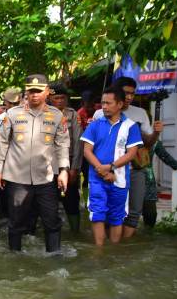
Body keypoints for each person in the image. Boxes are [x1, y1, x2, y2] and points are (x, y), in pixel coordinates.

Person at [0, 74, 70, 253]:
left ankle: (54, 257)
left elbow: (63, 145)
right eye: (31, 91)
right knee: (16, 222)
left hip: (47, 178)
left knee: (51, 220)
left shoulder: (57, 115)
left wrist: (64, 171)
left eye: (38, 91)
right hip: (17, 177)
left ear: (47, 92)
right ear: (26, 92)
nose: (34, 94)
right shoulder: (12, 114)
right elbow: (2, 143)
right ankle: (15, 258)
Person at [93, 77, 163, 238]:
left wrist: (156, 132)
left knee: (134, 212)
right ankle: (110, 249)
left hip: (135, 169)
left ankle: (123, 248)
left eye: (132, 93)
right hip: (108, 170)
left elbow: (148, 144)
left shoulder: (140, 113)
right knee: (109, 212)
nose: (130, 97)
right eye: (126, 93)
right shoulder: (100, 114)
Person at [81, 86, 143, 246]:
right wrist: (101, 170)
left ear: (120, 104)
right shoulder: (94, 125)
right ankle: (99, 251)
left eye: (108, 103)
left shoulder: (131, 126)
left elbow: (131, 153)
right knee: (97, 213)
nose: (104, 106)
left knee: (117, 216)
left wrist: (110, 167)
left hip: (120, 179)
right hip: (97, 178)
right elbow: (87, 151)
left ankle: (114, 251)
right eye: (102, 103)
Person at [49, 83, 83, 231]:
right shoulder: (44, 113)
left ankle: (75, 232)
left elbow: (78, 143)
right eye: (57, 98)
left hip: (67, 163)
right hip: (48, 164)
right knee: (48, 200)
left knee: (71, 200)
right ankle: (51, 231)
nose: (60, 101)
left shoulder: (73, 115)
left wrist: (75, 168)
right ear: (50, 98)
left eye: (63, 98)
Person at [143, 140, 177, 229]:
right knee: (128, 214)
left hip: (148, 181)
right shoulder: (128, 135)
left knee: (150, 214)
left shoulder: (155, 141)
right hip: (129, 180)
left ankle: (147, 235)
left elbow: (164, 155)